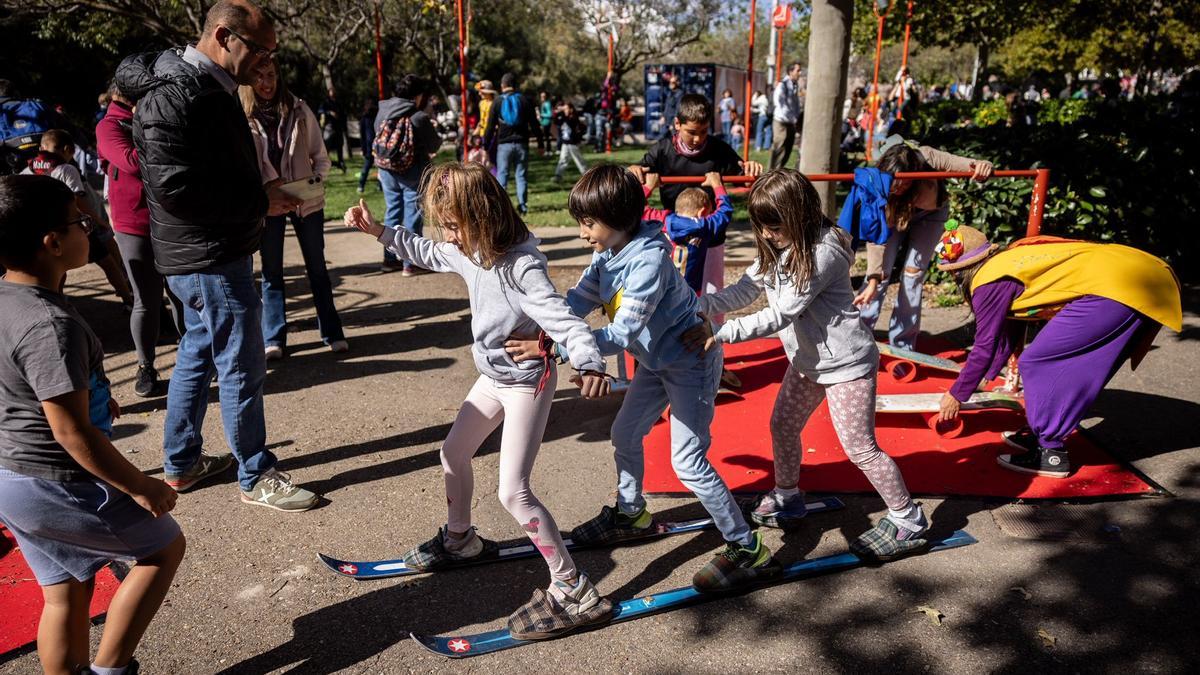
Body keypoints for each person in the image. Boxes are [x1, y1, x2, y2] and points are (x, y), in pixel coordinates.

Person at [343, 162, 615, 640]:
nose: (448, 237)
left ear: (482, 217)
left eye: (453, 225)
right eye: (445, 226)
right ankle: (461, 539)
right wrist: (380, 232)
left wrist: (589, 362)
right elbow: (427, 251)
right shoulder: (468, 250)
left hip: (526, 383)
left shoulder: (522, 267)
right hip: (492, 378)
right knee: (452, 453)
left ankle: (573, 588)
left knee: (513, 491)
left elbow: (565, 321)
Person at [510, 164, 781, 592]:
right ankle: (631, 513)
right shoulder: (608, 251)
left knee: (688, 462)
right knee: (625, 433)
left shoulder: (649, 261)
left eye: (588, 223)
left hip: (691, 364)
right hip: (656, 363)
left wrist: (555, 349)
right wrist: (542, 328)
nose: (582, 233)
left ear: (618, 219)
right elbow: (579, 299)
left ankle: (748, 548)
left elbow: (621, 334)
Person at [115, 0, 319, 511]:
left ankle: (181, 462)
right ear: (225, 36)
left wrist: (260, 193)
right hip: (208, 256)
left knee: (197, 351)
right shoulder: (178, 93)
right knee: (241, 364)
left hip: (206, 250)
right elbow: (176, 189)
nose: (266, 62)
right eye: (260, 50)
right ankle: (257, 473)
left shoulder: (205, 85)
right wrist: (258, 202)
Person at [683, 168, 930, 560]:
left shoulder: (822, 252)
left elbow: (780, 313)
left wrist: (721, 332)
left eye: (773, 227)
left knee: (860, 448)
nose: (767, 235)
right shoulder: (780, 246)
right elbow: (746, 289)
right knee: (783, 425)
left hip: (847, 365)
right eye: (762, 227)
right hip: (808, 362)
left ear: (798, 216)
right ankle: (787, 496)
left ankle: (908, 519)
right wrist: (698, 305)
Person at [0, 174, 186, 675]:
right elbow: (71, 433)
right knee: (163, 549)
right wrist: (140, 485)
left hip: (12, 478)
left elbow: (27, 385)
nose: (92, 229)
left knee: (65, 590)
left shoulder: (6, 299)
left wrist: (98, 398)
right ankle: (111, 670)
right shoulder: (50, 325)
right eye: (80, 222)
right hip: (59, 481)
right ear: (53, 243)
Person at [933, 224, 1182, 478]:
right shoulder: (1003, 263)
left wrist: (956, 394)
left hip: (1123, 287)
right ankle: (1043, 433)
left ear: (960, 270)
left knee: (1038, 361)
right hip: (1137, 277)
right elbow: (1009, 327)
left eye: (952, 272)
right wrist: (987, 374)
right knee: (1058, 360)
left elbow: (984, 345)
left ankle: (1051, 452)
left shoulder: (987, 283)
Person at [241, 60, 347, 358]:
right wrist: (261, 196)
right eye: (259, 76)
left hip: (305, 200)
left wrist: (312, 185)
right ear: (248, 81)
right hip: (268, 203)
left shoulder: (299, 109)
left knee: (317, 268)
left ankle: (332, 332)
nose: (266, 83)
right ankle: (274, 337)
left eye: (271, 75)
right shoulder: (242, 116)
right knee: (271, 272)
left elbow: (320, 156)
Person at [853, 137, 993, 350]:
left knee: (913, 274)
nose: (899, 188)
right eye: (894, 183)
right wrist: (873, 276)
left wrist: (983, 166)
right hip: (891, 217)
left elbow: (966, 164)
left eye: (905, 182)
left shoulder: (926, 156)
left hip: (930, 214)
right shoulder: (878, 183)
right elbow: (876, 237)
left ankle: (903, 345)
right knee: (879, 275)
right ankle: (857, 338)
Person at [95, 81, 176, 398]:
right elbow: (130, 161)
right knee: (146, 299)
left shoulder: (155, 114)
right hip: (134, 224)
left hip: (170, 220)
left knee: (181, 294)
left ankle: (196, 360)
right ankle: (146, 366)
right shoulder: (109, 126)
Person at [22, 129, 133, 308]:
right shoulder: (66, 169)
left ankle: (57, 304)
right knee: (107, 263)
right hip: (71, 225)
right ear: (68, 150)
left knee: (58, 271)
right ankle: (128, 300)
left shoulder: (28, 169)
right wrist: (98, 220)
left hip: (45, 229)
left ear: (41, 148)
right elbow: (77, 200)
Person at [374, 74, 441, 275]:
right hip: (413, 170)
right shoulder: (418, 117)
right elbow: (434, 145)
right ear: (417, 96)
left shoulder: (382, 111)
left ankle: (389, 259)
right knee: (413, 213)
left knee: (393, 210)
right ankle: (411, 262)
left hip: (387, 169)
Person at [642, 171, 733, 297]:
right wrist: (717, 185)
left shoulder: (663, 221)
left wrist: (648, 186)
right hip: (690, 292)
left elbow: (636, 207)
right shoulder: (705, 226)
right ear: (702, 212)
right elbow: (725, 211)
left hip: (662, 289)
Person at [483, 72, 536, 215]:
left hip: (504, 145)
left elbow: (490, 126)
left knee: (502, 174)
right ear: (515, 85)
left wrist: (485, 146)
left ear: (502, 85)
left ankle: (501, 207)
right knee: (521, 175)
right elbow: (534, 123)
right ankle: (523, 206)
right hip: (522, 143)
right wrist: (542, 144)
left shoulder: (497, 102)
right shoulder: (524, 100)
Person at [770, 63, 803, 171]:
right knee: (779, 148)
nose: (800, 73)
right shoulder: (782, 85)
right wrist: (793, 118)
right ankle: (772, 173)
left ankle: (779, 171)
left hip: (790, 122)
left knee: (787, 150)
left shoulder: (794, 85)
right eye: (798, 70)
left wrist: (796, 117)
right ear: (790, 72)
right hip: (781, 122)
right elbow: (780, 104)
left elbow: (795, 104)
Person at [552, 101, 587, 181]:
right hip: (565, 143)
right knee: (563, 159)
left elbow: (569, 122)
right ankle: (558, 175)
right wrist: (558, 113)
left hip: (572, 143)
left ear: (571, 109)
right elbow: (556, 121)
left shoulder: (573, 118)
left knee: (578, 160)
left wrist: (562, 112)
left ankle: (586, 175)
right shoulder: (563, 117)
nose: (565, 110)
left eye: (566, 108)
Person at [318, 88, 346, 172]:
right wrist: (329, 112)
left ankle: (341, 163)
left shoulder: (338, 103)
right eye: (331, 92)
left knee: (340, 146)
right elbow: (320, 110)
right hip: (329, 127)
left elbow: (343, 114)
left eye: (334, 91)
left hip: (338, 127)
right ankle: (325, 164)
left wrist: (343, 125)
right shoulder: (326, 102)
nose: (333, 93)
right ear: (329, 93)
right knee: (327, 147)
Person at [356, 99, 377, 193]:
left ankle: (380, 186)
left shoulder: (376, 117)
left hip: (375, 147)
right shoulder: (365, 119)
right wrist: (363, 148)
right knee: (367, 167)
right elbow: (362, 135)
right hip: (370, 147)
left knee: (380, 168)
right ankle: (361, 185)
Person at [659, 74, 683, 140]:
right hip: (666, 122)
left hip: (672, 124)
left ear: (677, 83)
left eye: (673, 82)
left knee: (674, 141)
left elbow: (678, 110)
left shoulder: (680, 94)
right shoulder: (670, 93)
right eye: (670, 82)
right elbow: (667, 107)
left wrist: (673, 124)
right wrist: (663, 116)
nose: (670, 84)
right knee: (662, 140)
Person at [537, 91, 553, 155]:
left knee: (547, 137)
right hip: (543, 122)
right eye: (541, 96)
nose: (542, 97)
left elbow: (550, 114)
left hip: (546, 122)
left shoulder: (547, 104)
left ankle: (548, 150)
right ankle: (546, 150)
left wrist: (541, 115)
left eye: (544, 96)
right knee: (545, 137)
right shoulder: (543, 103)